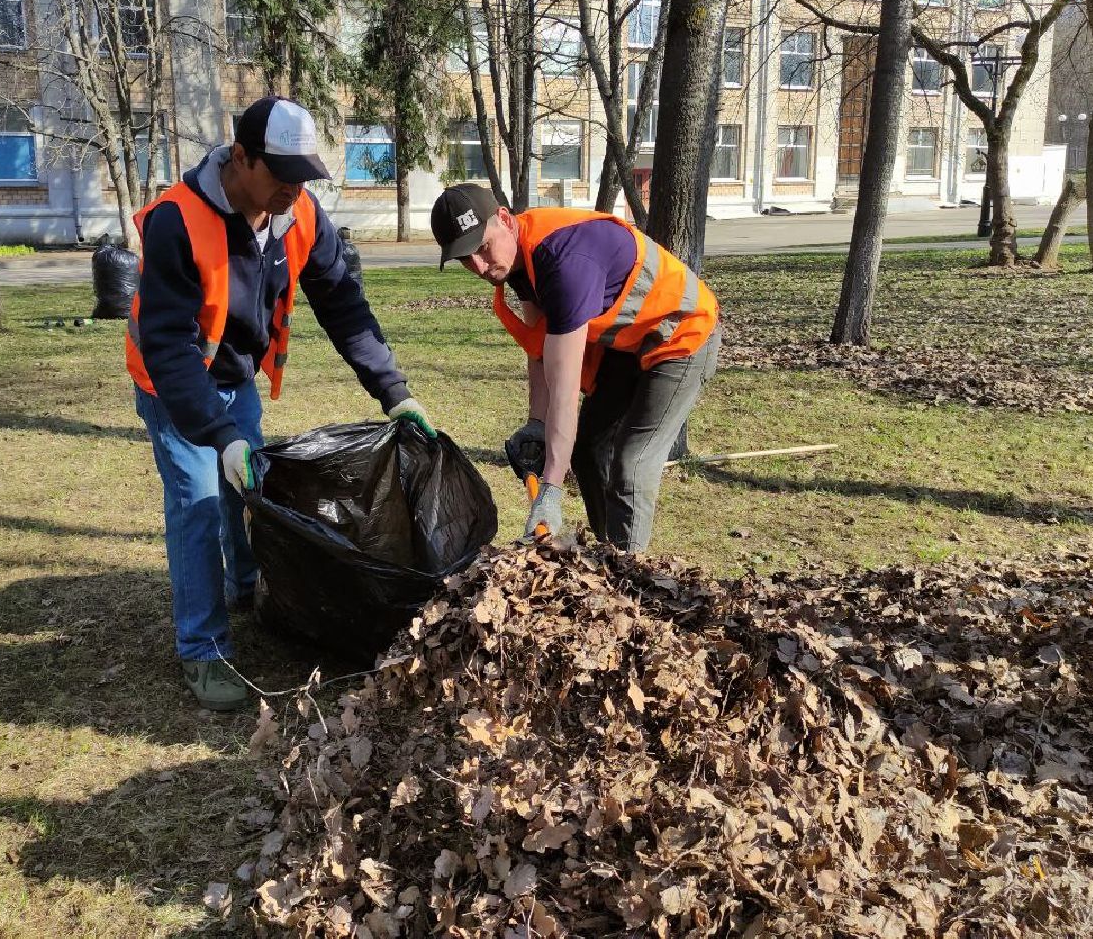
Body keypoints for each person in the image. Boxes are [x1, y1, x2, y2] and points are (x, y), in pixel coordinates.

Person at [127, 96, 435, 711]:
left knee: (250, 489)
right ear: (241, 157)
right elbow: (168, 344)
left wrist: (393, 393)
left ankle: (246, 587)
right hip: (174, 380)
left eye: (304, 178)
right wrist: (219, 434)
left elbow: (344, 307)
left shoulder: (300, 216)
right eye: (283, 176)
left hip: (234, 374)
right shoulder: (177, 221)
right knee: (199, 500)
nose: (295, 191)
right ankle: (203, 649)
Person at [429, 183, 719, 551]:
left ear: (504, 219)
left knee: (631, 463)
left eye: (483, 248)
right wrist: (537, 425)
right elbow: (540, 351)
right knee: (588, 450)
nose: (480, 267)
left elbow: (564, 391)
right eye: (465, 259)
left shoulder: (563, 260)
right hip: (629, 345)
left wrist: (549, 490)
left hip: (683, 334)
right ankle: (607, 553)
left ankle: (627, 581)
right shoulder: (517, 261)